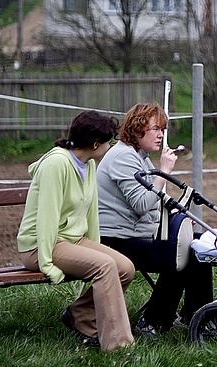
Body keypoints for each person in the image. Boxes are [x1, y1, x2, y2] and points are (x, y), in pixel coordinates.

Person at [17, 110, 135, 351]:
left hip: (72, 241)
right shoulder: (56, 164)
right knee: (105, 266)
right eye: (108, 141)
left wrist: (95, 246)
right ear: (94, 144)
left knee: (125, 268)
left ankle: (79, 315)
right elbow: (46, 218)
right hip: (41, 245)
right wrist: (46, 263)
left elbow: (90, 211)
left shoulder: (88, 163)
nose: (110, 146)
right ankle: (118, 344)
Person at [96, 102, 214, 337]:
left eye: (163, 129)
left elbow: (156, 202)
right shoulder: (122, 157)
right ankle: (153, 321)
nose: (161, 135)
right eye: (156, 129)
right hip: (115, 239)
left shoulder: (139, 157)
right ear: (137, 129)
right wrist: (164, 172)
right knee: (176, 251)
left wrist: (177, 219)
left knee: (199, 245)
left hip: (135, 234)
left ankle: (198, 316)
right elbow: (142, 204)